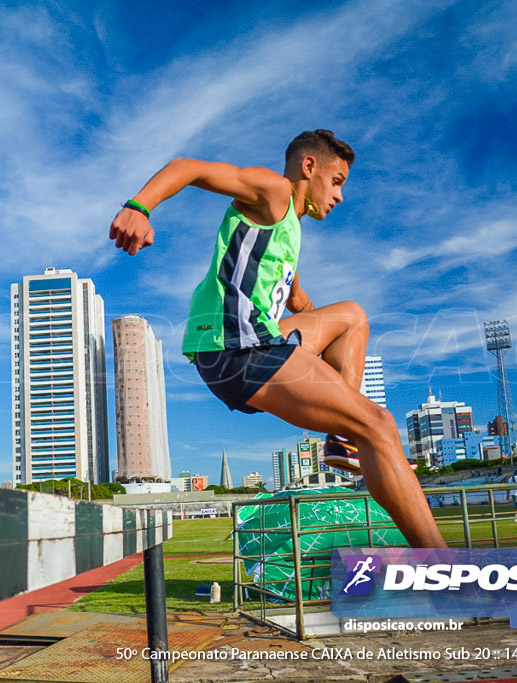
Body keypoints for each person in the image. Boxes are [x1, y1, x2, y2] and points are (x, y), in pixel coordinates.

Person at [108, 130, 446, 549]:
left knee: (353, 316)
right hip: (235, 348)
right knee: (379, 425)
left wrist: (329, 382)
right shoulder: (274, 192)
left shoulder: (288, 234)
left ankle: (343, 438)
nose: (340, 196)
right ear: (309, 167)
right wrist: (139, 208)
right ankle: (444, 567)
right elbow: (189, 168)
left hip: (255, 343)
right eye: (337, 181)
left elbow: (304, 307)